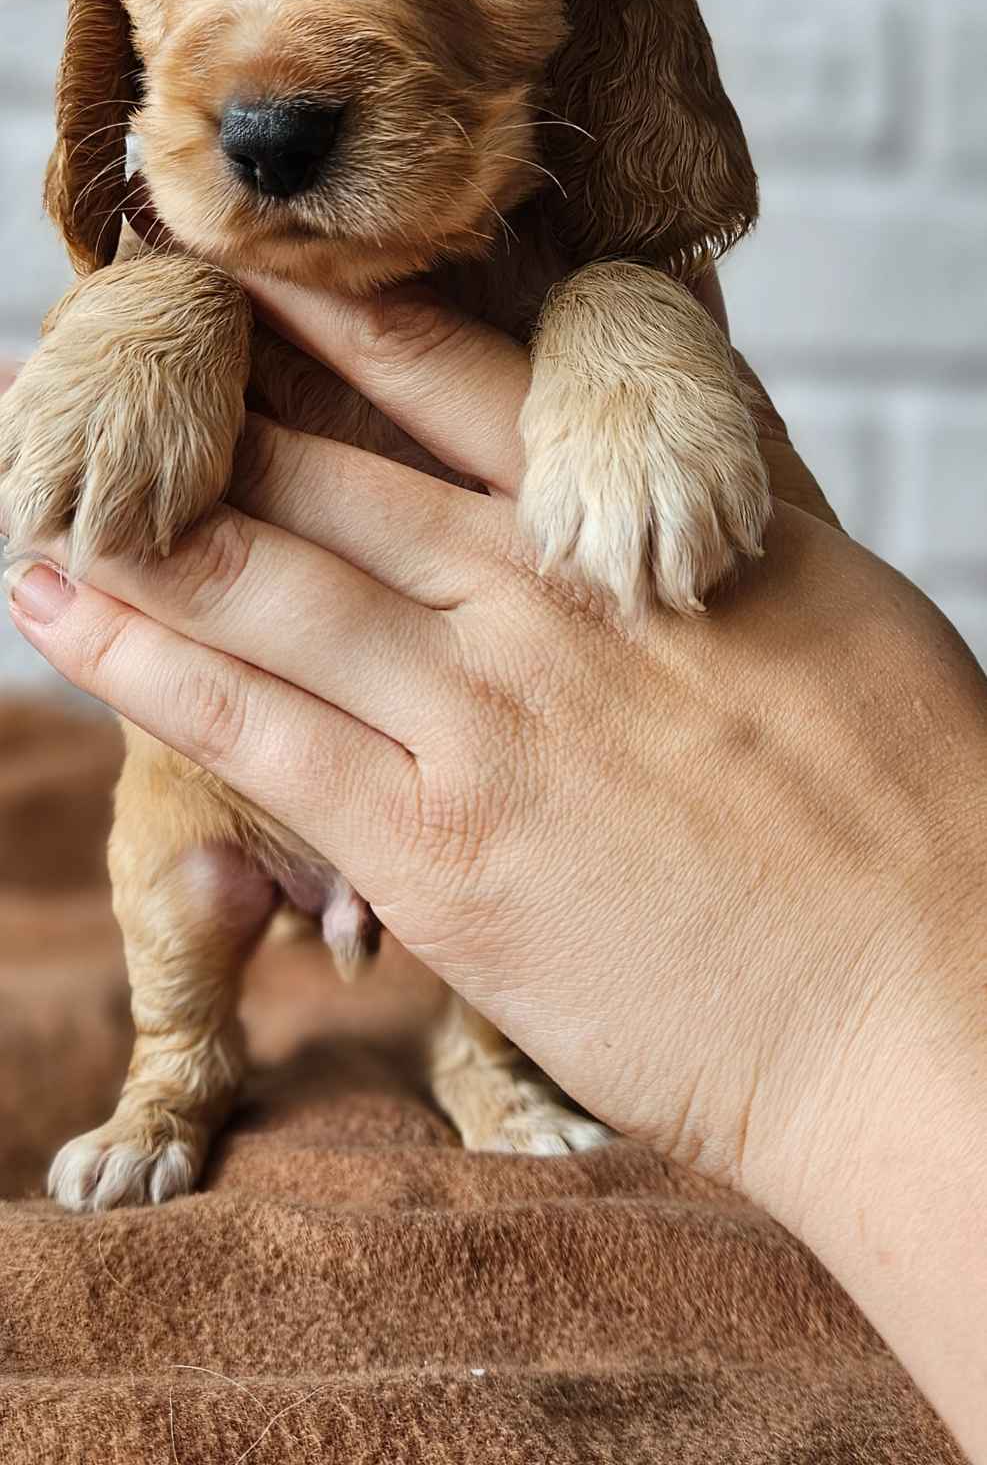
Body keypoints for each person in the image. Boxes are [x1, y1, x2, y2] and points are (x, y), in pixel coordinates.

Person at [4, 275, 986, 1462]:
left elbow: (633, 263)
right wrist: (145, 313)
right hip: (230, 802)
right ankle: (173, 1073)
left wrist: (628, 313)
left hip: (524, 790)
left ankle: (483, 1061)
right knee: (183, 858)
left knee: (536, 810)